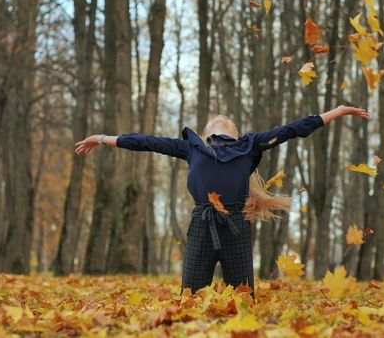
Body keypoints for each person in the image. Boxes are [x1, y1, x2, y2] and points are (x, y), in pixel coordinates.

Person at [75, 105, 369, 294]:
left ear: (234, 132)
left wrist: (338, 112)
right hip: (203, 225)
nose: (220, 118)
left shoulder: (251, 145)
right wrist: (101, 138)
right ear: (205, 134)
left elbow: (294, 129)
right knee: (190, 296)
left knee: (242, 297)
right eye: (215, 120)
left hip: (237, 227)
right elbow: (145, 142)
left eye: (225, 119)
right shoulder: (191, 148)